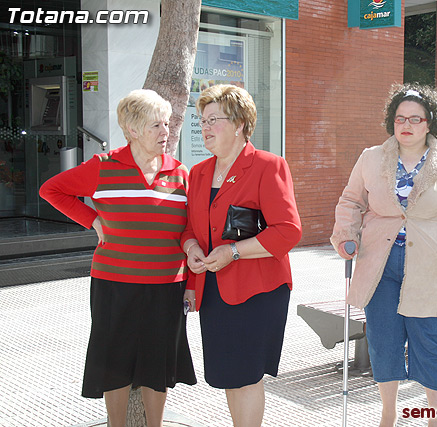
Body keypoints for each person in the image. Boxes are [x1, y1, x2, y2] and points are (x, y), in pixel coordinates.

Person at [39, 89, 197, 427]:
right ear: (133, 129)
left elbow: (190, 233)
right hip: (113, 283)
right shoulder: (103, 167)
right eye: (156, 125)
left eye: (166, 124)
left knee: (158, 364)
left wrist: (192, 284)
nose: (165, 132)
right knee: (115, 361)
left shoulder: (181, 173)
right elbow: (51, 190)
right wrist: (92, 220)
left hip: (167, 285)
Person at [331, 83, 437, 427]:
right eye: (400, 118)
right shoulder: (371, 157)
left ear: (430, 123)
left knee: (428, 340)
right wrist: (346, 235)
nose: (406, 125)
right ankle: (388, 414)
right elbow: (351, 201)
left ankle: (436, 419)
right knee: (383, 340)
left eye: (415, 118)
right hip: (378, 262)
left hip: (428, 264)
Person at [181, 84, 302, 427]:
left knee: (247, 376)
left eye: (213, 120)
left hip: (257, 290)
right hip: (214, 290)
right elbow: (191, 231)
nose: (204, 127)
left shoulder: (267, 166)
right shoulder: (199, 173)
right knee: (229, 376)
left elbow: (288, 230)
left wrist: (233, 251)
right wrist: (192, 252)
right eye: (201, 120)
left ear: (239, 124)